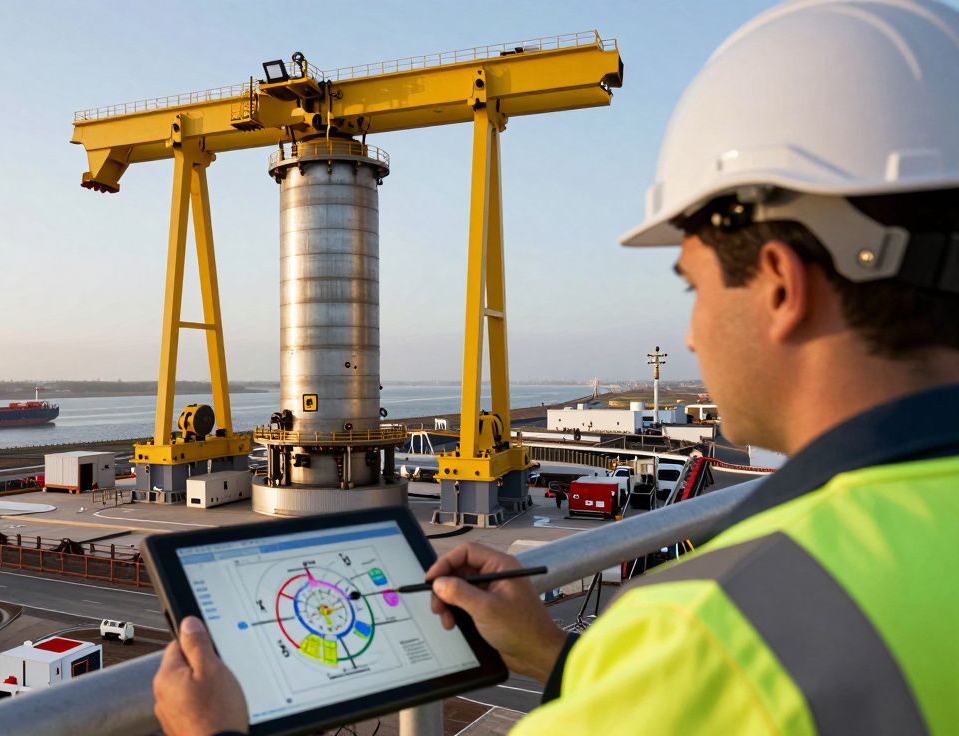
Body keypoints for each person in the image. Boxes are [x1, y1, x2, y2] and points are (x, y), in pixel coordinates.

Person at [153, 0, 959, 733]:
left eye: (695, 286)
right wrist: (555, 655)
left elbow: (697, 695)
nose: (690, 336)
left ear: (781, 286)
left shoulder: (710, 633)